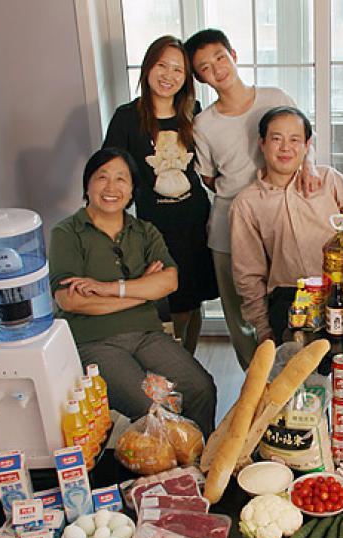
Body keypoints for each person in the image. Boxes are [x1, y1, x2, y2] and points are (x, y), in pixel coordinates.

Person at [49, 147, 217, 436]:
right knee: (152, 408)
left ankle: (202, 464)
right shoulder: (67, 233)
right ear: (87, 185)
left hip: (147, 335)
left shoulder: (145, 231)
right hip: (94, 342)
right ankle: (165, 475)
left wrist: (106, 289)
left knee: (201, 387)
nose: (111, 187)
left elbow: (170, 282)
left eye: (121, 179)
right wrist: (142, 291)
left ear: (132, 191)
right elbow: (70, 300)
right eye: (102, 177)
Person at [183, 29, 321, 368]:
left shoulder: (273, 96)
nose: (216, 69)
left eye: (219, 57)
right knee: (242, 317)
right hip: (228, 229)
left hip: (281, 222)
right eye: (204, 67)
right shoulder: (203, 123)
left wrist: (309, 166)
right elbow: (207, 176)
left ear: (234, 53)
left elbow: (303, 139)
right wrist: (242, 196)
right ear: (198, 76)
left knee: (289, 306)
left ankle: (299, 378)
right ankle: (256, 383)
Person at [231, 107, 343, 344]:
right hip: (290, 299)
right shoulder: (247, 203)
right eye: (276, 139)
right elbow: (248, 275)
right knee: (298, 373)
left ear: (307, 146)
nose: (285, 148)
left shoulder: (328, 180)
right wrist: (263, 329)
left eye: (294, 140)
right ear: (262, 144)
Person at [102, 35, 217, 355]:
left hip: (195, 219)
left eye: (178, 70)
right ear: (148, 67)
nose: (168, 75)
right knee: (169, 302)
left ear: (187, 77)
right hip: (154, 227)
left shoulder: (193, 111)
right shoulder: (127, 116)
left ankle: (188, 363)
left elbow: (209, 162)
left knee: (193, 300)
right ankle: (174, 366)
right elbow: (111, 170)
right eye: (161, 66)